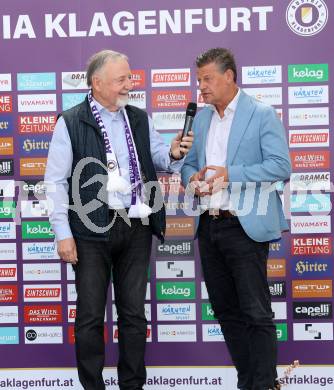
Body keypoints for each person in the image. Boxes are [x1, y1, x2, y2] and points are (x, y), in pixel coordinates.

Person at [45, 49, 193, 390]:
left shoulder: (139, 117)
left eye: (130, 77)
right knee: (90, 317)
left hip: (137, 227)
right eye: (122, 79)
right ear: (97, 83)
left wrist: (172, 153)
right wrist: (62, 233)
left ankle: (132, 384)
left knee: (133, 316)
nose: (130, 83)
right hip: (89, 231)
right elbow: (55, 181)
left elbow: (158, 157)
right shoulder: (71, 121)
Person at [181, 48, 291, 390]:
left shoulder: (261, 114)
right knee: (226, 312)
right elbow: (186, 165)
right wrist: (192, 180)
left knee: (256, 313)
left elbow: (280, 167)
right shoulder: (200, 119)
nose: (202, 86)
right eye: (199, 79)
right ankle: (249, 381)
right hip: (209, 226)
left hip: (244, 226)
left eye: (208, 78)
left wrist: (231, 175)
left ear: (230, 76)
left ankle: (264, 383)